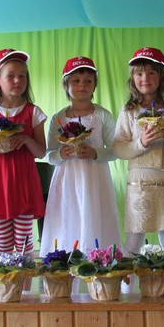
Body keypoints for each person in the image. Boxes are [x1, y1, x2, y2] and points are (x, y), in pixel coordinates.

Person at [112, 47, 164, 258]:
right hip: (139, 185)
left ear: (161, 76)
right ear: (133, 78)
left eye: (151, 73)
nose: (145, 78)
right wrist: (141, 143)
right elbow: (118, 148)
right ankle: (128, 280)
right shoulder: (129, 110)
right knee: (134, 240)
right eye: (139, 73)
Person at [39, 56, 120, 256]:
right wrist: (60, 154)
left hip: (95, 180)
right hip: (67, 180)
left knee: (95, 216)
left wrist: (95, 153)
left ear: (94, 85)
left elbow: (115, 150)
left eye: (88, 81)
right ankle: (65, 259)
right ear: (66, 85)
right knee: (68, 218)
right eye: (75, 81)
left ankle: (99, 259)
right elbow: (48, 154)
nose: (82, 85)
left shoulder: (103, 115)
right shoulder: (58, 118)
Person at [0, 49, 46, 254]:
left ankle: (25, 277)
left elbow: (41, 152)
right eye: (11, 76)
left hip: (24, 185)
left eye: (22, 76)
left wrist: (26, 139)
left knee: (24, 243)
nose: (17, 80)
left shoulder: (34, 112)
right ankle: (5, 276)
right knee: (3, 244)